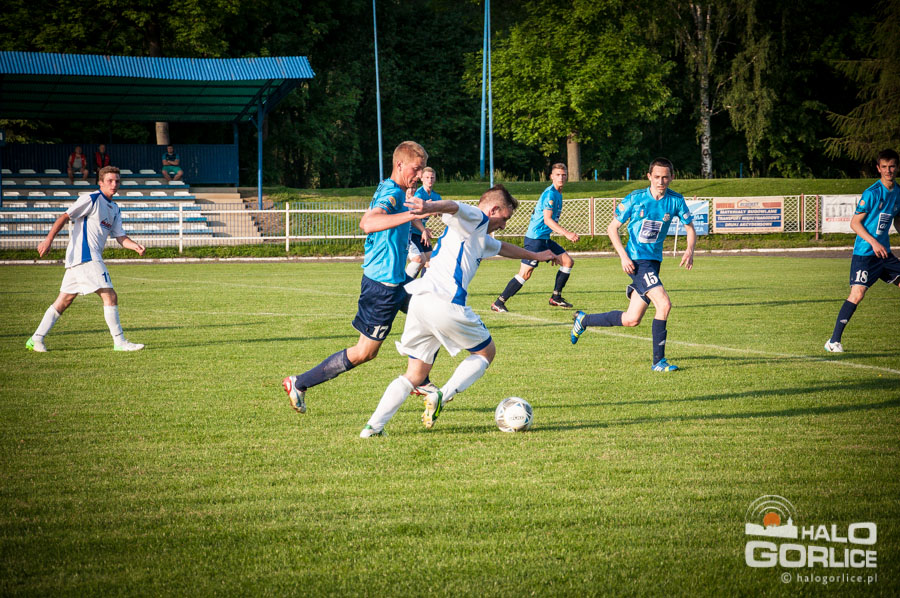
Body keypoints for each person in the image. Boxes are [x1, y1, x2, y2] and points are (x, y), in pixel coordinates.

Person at [360, 184, 562, 437]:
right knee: (486, 352)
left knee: (414, 374)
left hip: (420, 301)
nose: (504, 225)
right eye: (504, 218)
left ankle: (373, 427)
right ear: (493, 209)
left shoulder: (478, 235)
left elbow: (503, 248)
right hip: (445, 302)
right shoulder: (476, 217)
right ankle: (442, 395)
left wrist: (537, 255)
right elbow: (454, 205)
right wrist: (429, 206)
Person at [282, 141, 437, 414]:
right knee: (365, 352)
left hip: (397, 280)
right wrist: (410, 215)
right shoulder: (391, 193)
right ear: (400, 164)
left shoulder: (396, 190)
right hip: (382, 286)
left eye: (422, 169)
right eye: (416, 169)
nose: (419, 174)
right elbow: (368, 223)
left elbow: (402, 215)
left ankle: (419, 379)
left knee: (434, 314)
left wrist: (417, 220)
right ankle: (299, 383)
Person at [569, 157, 695, 372]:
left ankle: (584, 320)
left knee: (631, 319)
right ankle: (658, 362)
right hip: (637, 260)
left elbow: (690, 228)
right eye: (657, 177)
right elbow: (612, 228)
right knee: (664, 304)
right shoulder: (636, 199)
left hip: (654, 262)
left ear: (672, 177)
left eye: (665, 177)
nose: (661, 181)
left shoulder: (675, 200)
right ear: (649, 177)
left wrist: (690, 250)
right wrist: (623, 256)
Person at [26, 166, 146, 352]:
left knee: (64, 300)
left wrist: (135, 246)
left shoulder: (114, 208)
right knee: (109, 295)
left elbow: (120, 237)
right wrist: (48, 239)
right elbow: (65, 216)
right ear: (100, 182)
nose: (114, 184)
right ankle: (120, 342)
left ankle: (36, 339)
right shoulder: (91, 199)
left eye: (117, 181)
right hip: (86, 256)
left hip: (81, 259)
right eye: (110, 181)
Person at [825, 148, 900, 352]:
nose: (888, 170)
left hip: (884, 254)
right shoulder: (872, 193)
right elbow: (855, 223)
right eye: (884, 167)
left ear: (897, 167)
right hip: (865, 254)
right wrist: (874, 242)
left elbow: (897, 219)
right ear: (878, 168)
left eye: (892, 166)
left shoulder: (898, 192)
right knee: (857, 294)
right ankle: (833, 341)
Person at [491, 163, 579, 312]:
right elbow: (547, 220)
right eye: (558, 175)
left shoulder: (558, 194)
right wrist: (567, 233)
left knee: (567, 262)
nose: (561, 178)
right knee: (525, 273)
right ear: (551, 176)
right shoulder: (550, 194)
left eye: (564, 175)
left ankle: (556, 297)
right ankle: (499, 302)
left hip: (544, 239)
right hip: (535, 239)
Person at [405, 166, 438, 279]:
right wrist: (423, 229)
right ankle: (405, 284)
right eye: (427, 177)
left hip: (420, 232)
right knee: (419, 260)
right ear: (422, 179)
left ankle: (424, 286)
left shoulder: (435, 196)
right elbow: (413, 217)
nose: (430, 180)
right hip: (411, 233)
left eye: (432, 177)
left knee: (431, 260)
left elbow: (442, 211)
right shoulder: (418, 196)